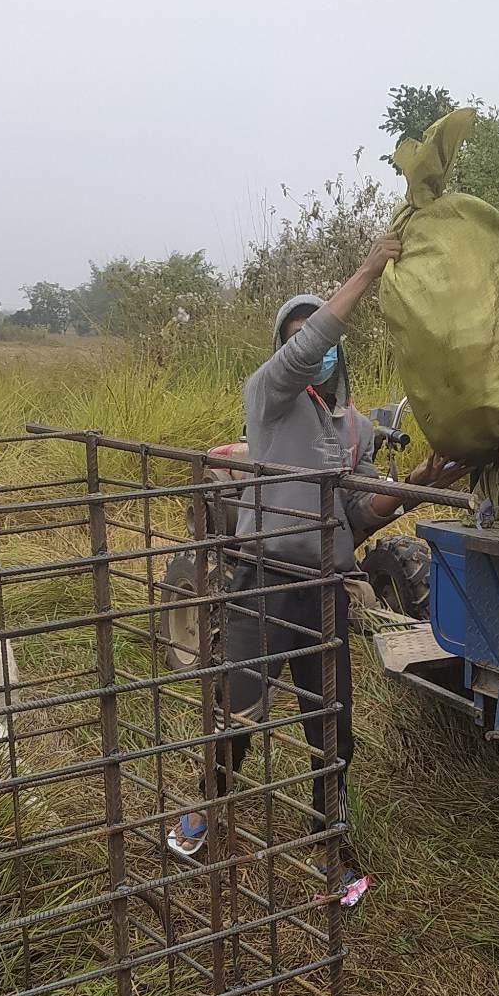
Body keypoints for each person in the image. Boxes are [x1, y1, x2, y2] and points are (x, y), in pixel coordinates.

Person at [167, 233, 457, 905]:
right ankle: (203, 810)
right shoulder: (268, 396)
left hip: (326, 592)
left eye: (321, 339)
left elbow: (355, 516)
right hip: (264, 583)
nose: (314, 348)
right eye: (299, 337)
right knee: (235, 712)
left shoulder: (353, 427)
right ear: (284, 346)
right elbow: (304, 348)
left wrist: (416, 482)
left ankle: (329, 847)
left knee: (333, 732)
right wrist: (366, 271)